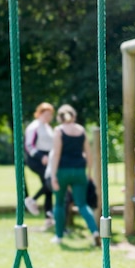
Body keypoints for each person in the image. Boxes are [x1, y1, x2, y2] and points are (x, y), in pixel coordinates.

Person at [49, 104, 100, 246]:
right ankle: (95, 231)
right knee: (82, 204)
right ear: (74, 116)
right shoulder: (81, 130)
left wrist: (53, 175)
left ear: (60, 117)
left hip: (63, 171)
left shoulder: (59, 131)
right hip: (79, 171)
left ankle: (59, 236)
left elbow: (56, 154)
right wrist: (89, 173)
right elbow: (89, 154)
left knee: (59, 203)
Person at [24, 102, 55, 228]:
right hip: (37, 159)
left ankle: (48, 218)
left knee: (48, 187)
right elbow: (29, 145)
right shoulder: (34, 127)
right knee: (50, 183)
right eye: (46, 114)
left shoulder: (48, 127)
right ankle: (32, 200)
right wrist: (40, 157)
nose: (49, 117)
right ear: (40, 113)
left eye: (50, 115)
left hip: (48, 158)